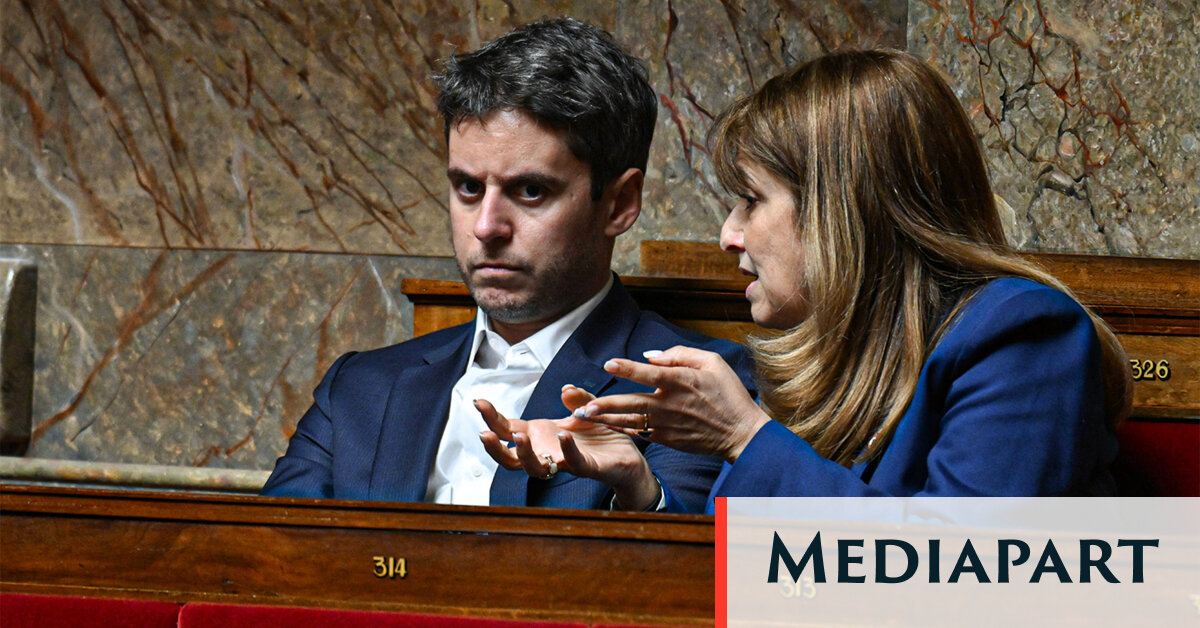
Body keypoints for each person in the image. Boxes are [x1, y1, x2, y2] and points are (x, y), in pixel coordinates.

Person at [482, 49, 1130, 505]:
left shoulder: (1021, 336)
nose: (728, 235)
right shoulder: (825, 355)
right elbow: (753, 580)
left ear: (843, 211)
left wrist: (745, 437)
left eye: (751, 200)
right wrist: (642, 488)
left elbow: (964, 575)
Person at [260, 17, 755, 512]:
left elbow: (719, 558)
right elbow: (268, 550)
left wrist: (645, 495)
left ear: (620, 204)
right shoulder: (358, 386)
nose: (486, 227)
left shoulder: (695, 386)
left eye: (531, 190)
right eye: (468, 187)